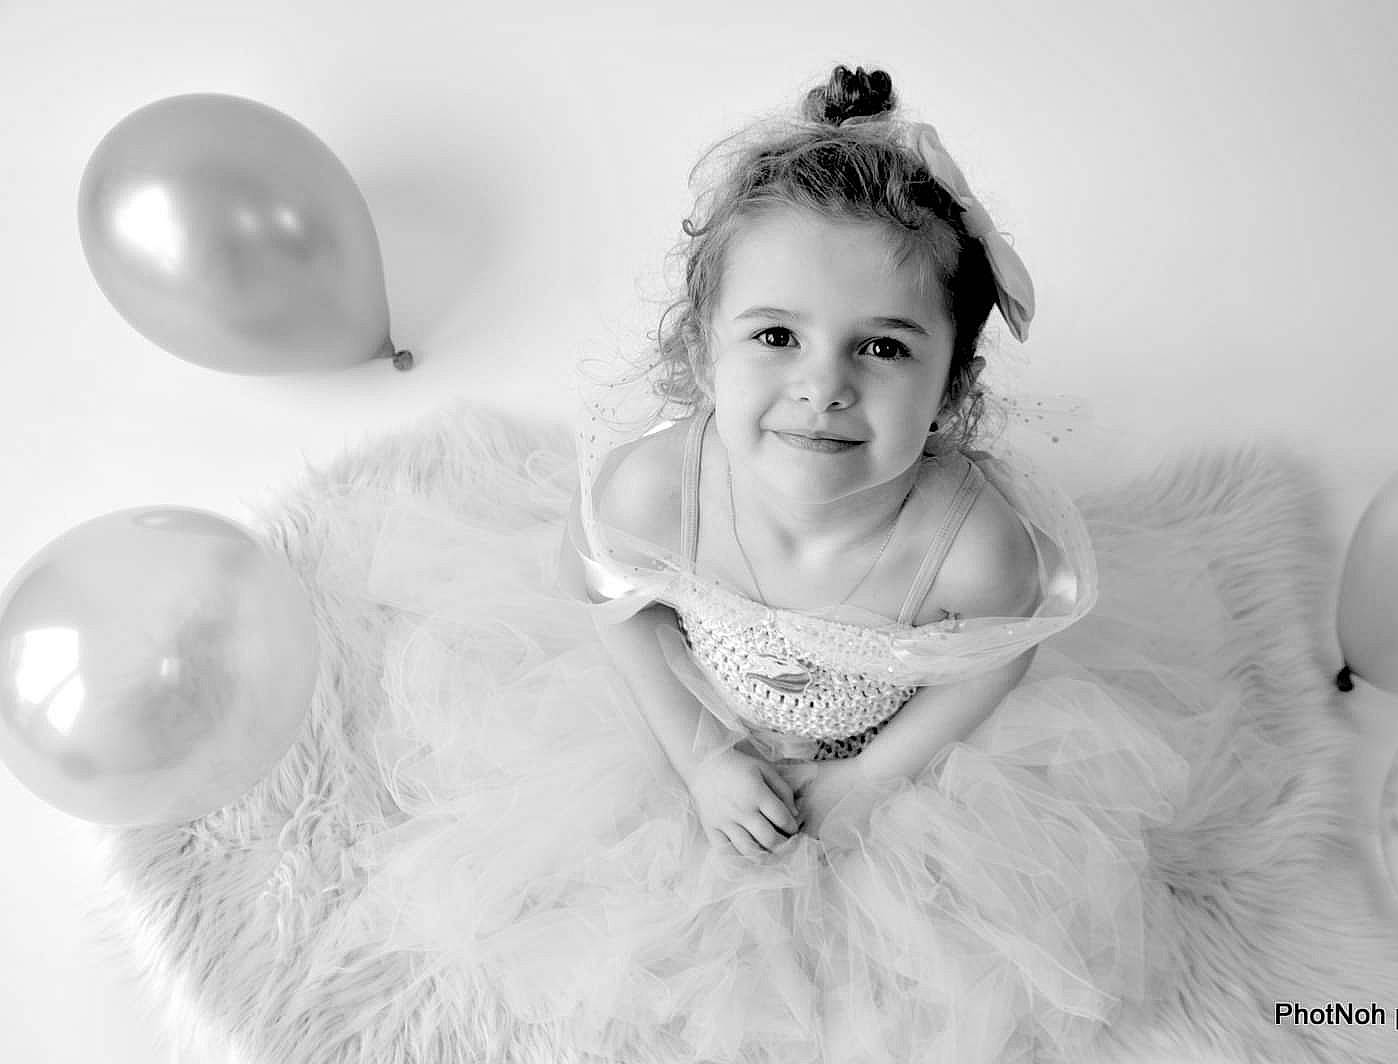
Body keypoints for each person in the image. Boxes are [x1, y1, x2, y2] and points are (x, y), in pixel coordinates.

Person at [348, 64, 1217, 1064]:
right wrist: (701, 755)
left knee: (913, 982)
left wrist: (873, 780)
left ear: (948, 393)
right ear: (700, 350)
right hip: (698, 707)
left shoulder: (973, 545)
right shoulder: (656, 490)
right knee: (624, 943)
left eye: (883, 349)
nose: (823, 387)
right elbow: (607, 596)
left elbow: (995, 657)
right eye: (775, 334)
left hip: (878, 749)